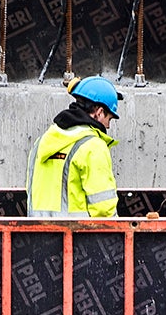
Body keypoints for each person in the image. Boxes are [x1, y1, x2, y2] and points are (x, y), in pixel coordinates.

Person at [28, 76, 123, 219]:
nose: (108, 126)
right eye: (108, 119)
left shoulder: (42, 141)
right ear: (99, 112)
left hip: (37, 236)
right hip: (77, 238)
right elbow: (104, 209)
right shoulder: (93, 146)